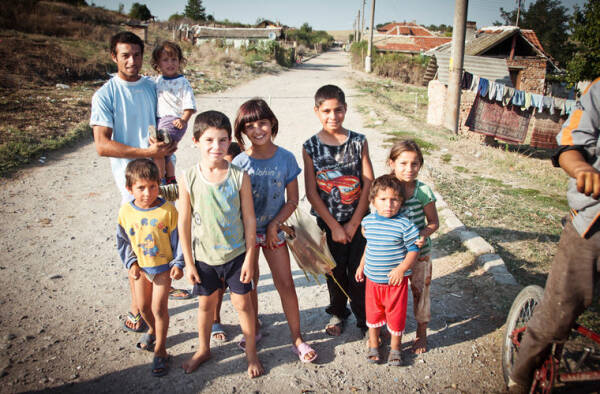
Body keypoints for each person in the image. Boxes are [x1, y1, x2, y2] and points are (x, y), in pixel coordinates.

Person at [509, 79, 600, 392]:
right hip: (593, 224)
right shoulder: (599, 91)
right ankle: (518, 379)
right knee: (556, 315)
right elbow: (570, 146)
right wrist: (582, 169)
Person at [90, 31, 177, 333]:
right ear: (113, 56)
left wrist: (169, 149)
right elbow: (102, 145)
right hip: (133, 184)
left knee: (165, 234)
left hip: (163, 176)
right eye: (125, 55)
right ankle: (137, 310)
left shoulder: (154, 87)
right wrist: (146, 152)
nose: (132, 60)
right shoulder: (105, 95)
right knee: (137, 247)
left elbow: (171, 121)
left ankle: (161, 285)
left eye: (137, 55)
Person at [178, 110, 264, 378]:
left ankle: (251, 353)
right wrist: (189, 262)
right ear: (196, 141)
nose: (217, 147)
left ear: (230, 142)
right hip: (204, 259)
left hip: (237, 255)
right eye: (209, 140)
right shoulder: (188, 177)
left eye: (223, 140)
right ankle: (203, 349)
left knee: (243, 305)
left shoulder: (239, 176)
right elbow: (184, 223)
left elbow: (250, 219)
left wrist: (250, 257)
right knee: (205, 305)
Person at [232, 98, 317, 362]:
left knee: (285, 283)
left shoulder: (286, 158)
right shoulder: (238, 162)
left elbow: (292, 199)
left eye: (263, 123)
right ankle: (253, 331)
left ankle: (297, 338)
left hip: (274, 231)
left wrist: (275, 224)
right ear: (242, 131)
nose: (258, 130)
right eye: (250, 126)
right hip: (245, 235)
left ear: (272, 124)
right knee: (250, 284)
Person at [303, 84, 374, 336]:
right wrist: (333, 226)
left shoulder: (358, 142)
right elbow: (312, 192)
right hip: (327, 224)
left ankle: (366, 320)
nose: (333, 116)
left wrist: (354, 224)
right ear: (317, 111)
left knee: (359, 271)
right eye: (327, 111)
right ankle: (337, 312)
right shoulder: (310, 146)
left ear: (346, 109)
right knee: (333, 271)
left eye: (339, 110)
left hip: (360, 222)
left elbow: (368, 183)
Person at [116, 159, 184, 377]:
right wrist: (131, 263)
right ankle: (153, 330)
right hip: (140, 268)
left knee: (158, 309)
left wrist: (178, 263)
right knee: (144, 308)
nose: (147, 193)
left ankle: (161, 350)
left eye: (153, 186)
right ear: (129, 188)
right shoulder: (126, 212)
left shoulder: (168, 211)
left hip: (163, 268)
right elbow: (123, 240)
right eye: (141, 188)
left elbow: (179, 239)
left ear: (159, 184)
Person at [355, 175, 420, 366]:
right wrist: (361, 265)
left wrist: (402, 269)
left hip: (395, 283)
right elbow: (369, 246)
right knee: (373, 314)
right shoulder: (367, 223)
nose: (388, 205)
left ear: (401, 202)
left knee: (396, 315)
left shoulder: (405, 224)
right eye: (383, 200)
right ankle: (374, 344)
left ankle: (395, 348)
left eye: (394, 200)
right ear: (373, 200)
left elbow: (413, 249)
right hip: (373, 281)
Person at [388, 140, 439, 354]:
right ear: (392, 163)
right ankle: (389, 332)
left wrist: (422, 234)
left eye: (415, 164)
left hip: (420, 255)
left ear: (420, 165)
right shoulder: (387, 188)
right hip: (393, 255)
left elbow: (433, 223)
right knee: (392, 294)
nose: (409, 169)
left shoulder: (423, 191)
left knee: (420, 292)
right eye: (403, 163)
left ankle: (421, 332)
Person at [209, 141, 244, 343]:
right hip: (216, 242)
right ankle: (215, 320)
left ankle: (249, 318)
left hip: (238, 242)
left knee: (245, 284)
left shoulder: (239, 177)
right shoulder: (210, 179)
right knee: (218, 287)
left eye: (229, 163)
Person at [150, 40, 197, 185]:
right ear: (157, 64)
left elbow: (189, 105)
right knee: (165, 153)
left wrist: (184, 120)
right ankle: (170, 178)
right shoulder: (157, 81)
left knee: (158, 149)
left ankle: (160, 181)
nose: (170, 63)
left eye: (174, 59)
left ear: (180, 61)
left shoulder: (182, 82)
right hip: (160, 120)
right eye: (165, 60)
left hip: (175, 122)